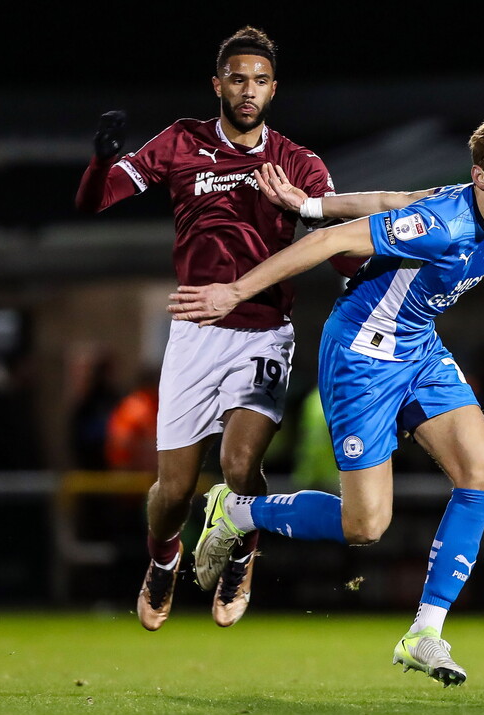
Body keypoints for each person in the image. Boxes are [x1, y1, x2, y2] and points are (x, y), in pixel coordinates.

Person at [168, 111, 484, 685]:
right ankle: (234, 510)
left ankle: (425, 633)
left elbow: (397, 197)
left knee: (483, 470)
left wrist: (313, 202)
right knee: (366, 525)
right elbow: (331, 244)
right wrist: (237, 291)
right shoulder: (446, 224)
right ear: (480, 177)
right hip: (362, 357)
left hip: (418, 348)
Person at [74, 26, 430, 631]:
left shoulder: (297, 164)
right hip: (192, 333)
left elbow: (338, 249)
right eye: (237, 78)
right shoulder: (181, 142)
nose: (248, 90)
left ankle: (241, 548)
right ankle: (163, 559)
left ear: (273, 90)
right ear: (218, 84)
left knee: (240, 465)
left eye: (260, 81)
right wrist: (104, 157)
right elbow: (94, 201)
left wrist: (397, 262)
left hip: (264, 333)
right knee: (174, 492)